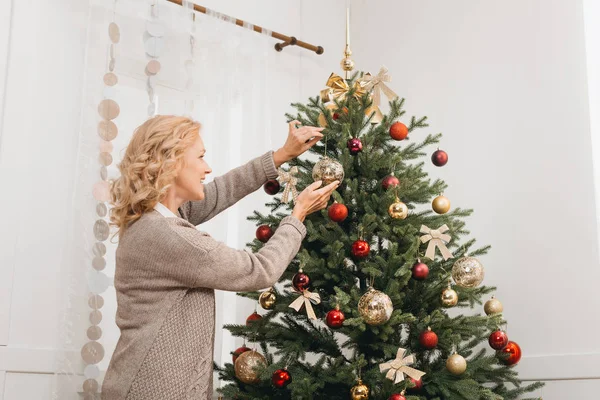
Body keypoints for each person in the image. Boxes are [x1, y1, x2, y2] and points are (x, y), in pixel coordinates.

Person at [101, 115, 339, 399]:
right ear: (171, 163)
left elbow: (220, 191)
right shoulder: (166, 235)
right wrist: (298, 214)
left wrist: (281, 155)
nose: (207, 168)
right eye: (200, 157)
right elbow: (260, 270)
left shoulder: (155, 219)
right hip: (156, 389)